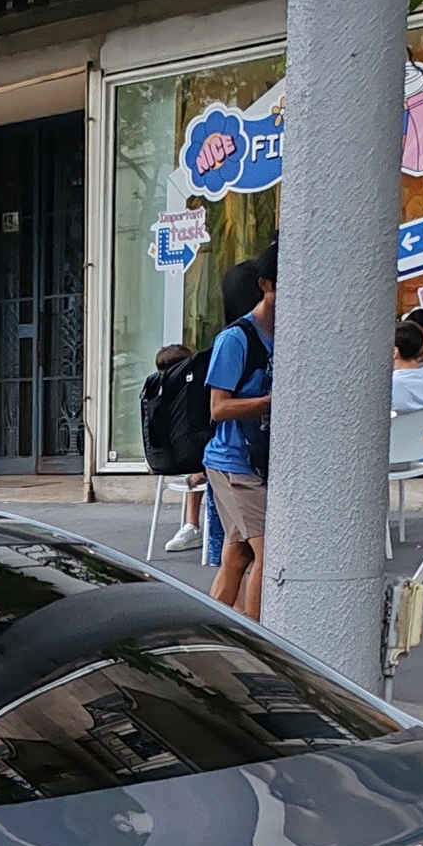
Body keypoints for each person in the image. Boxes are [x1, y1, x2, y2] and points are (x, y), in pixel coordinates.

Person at [204, 243, 275, 620]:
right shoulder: (235, 339)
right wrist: (269, 402)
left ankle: (211, 628)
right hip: (233, 462)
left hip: (258, 461)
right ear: (265, 285)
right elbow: (218, 407)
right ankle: (261, 641)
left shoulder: (286, 336)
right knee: (267, 551)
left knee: (239, 554)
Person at [153, 344, 206, 553]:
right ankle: (192, 525)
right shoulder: (192, 392)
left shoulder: (155, 392)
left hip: (167, 461)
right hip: (195, 461)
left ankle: (191, 526)